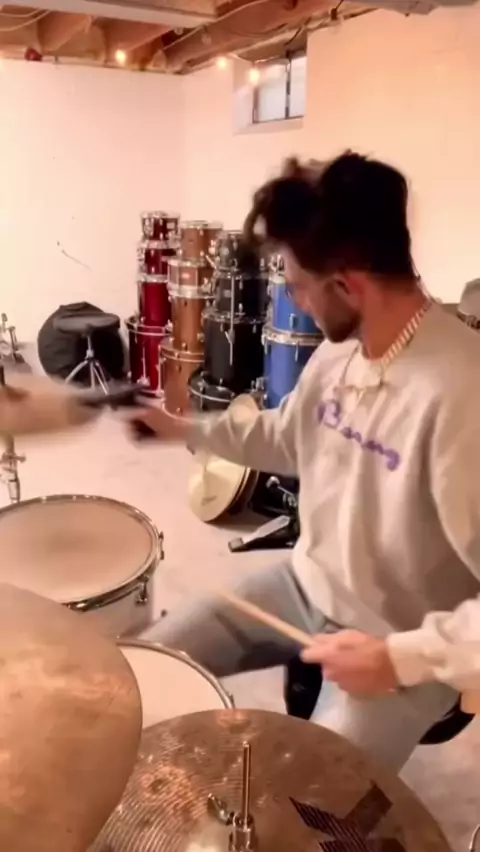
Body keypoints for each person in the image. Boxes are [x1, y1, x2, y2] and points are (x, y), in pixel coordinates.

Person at [128, 151, 480, 771]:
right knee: (145, 669)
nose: (293, 299)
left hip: (399, 638)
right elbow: (290, 438)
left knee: (305, 798)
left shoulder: (461, 393)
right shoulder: (340, 352)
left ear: (347, 284)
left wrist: (399, 659)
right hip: (304, 586)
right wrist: (182, 428)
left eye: (295, 286)